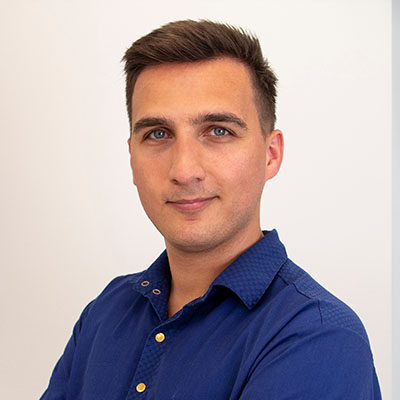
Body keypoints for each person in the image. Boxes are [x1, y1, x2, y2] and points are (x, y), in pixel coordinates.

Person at [41, 20, 381, 399]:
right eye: (157, 134)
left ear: (270, 155)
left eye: (219, 131)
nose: (184, 170)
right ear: (132, 158)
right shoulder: (106, 312)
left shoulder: (318, 336)